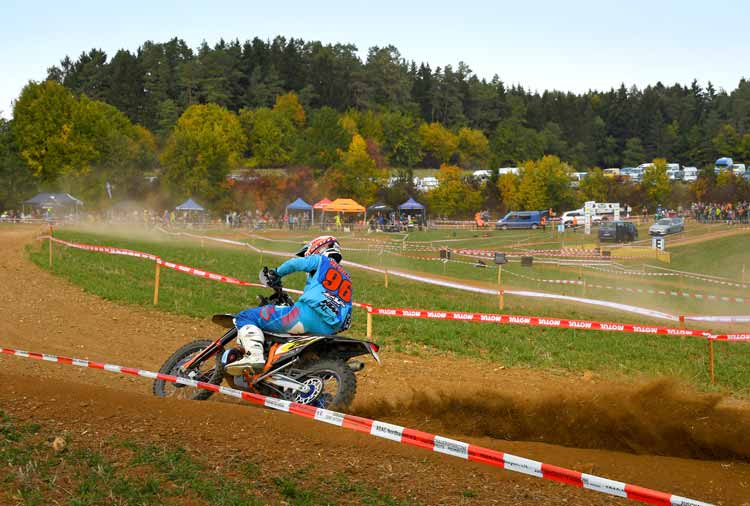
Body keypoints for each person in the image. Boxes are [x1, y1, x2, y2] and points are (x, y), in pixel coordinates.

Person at [227, 236, 353, 375]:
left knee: (246, 316)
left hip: (306, 316)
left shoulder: (321, 260)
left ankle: (254, 356)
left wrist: (275, 273)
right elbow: (347, 315)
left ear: (319, 248)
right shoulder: (347, 278)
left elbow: (296, 263)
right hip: (329, 329)